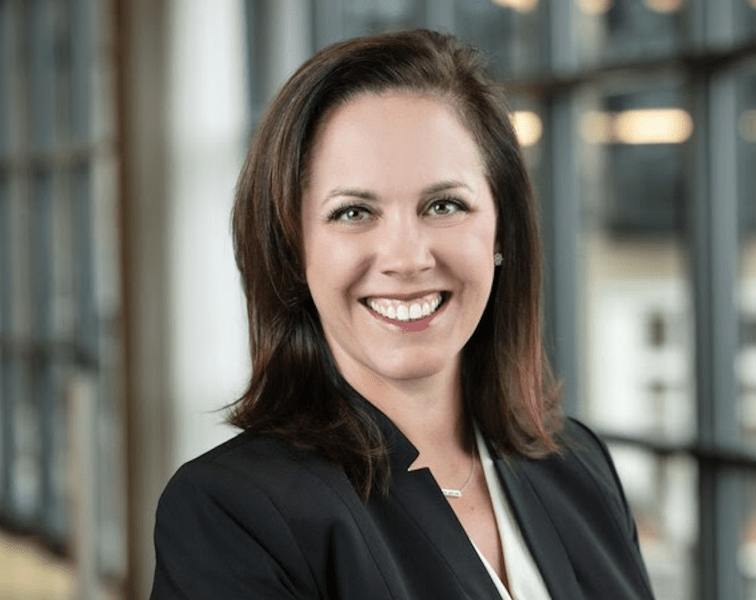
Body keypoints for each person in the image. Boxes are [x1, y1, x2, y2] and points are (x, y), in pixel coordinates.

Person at [149, 29, 655, 600]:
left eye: (444, 205)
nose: (408, 258)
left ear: (500, 230)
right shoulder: (233, 515)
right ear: (294, 250)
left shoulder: (578, 467)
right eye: (354, 212)